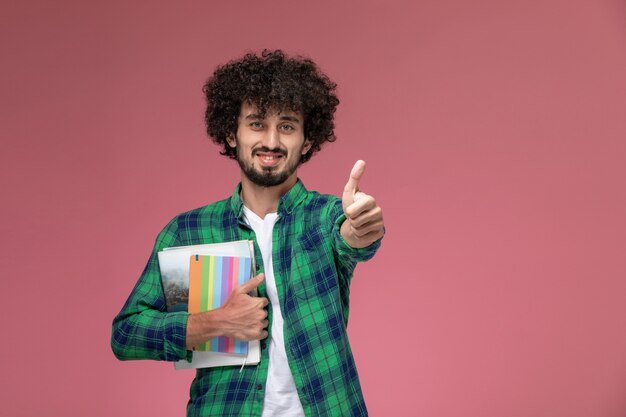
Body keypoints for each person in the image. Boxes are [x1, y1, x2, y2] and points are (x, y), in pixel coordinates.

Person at [111, 49, 385, 417]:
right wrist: (213, 323)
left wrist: (361, 229)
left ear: (306, 141)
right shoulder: (189, 231)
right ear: (231, 133)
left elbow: (351, 238)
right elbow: (126, 335)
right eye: (256, 123)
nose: (271, 141)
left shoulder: (325, 217)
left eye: (286, 126)